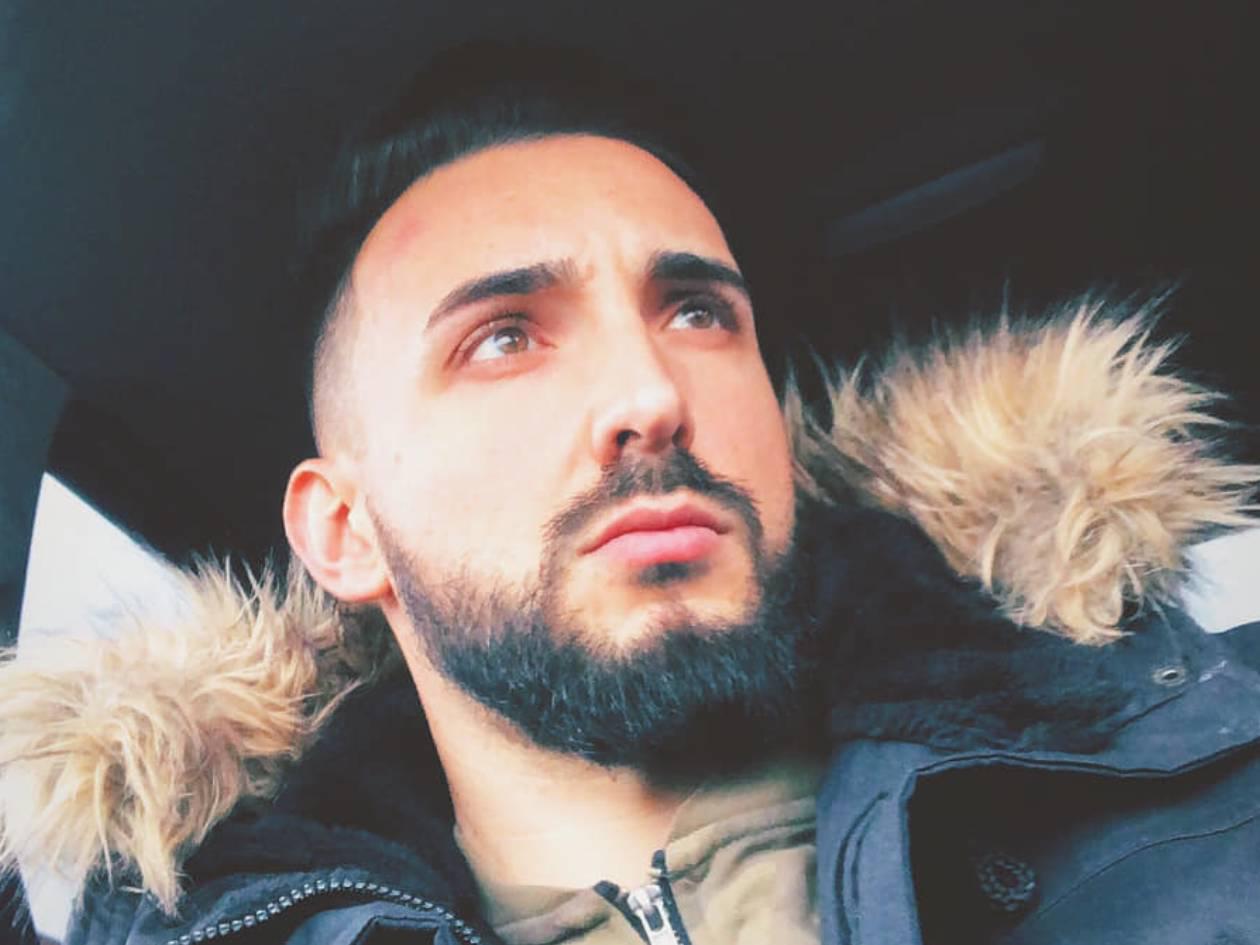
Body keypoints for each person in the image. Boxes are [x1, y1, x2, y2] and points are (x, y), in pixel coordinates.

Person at [3, 45, 1259, 945]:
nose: (651, 394)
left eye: (699, 312)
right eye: (504, 337)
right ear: (343, 531)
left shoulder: (1208, 767)